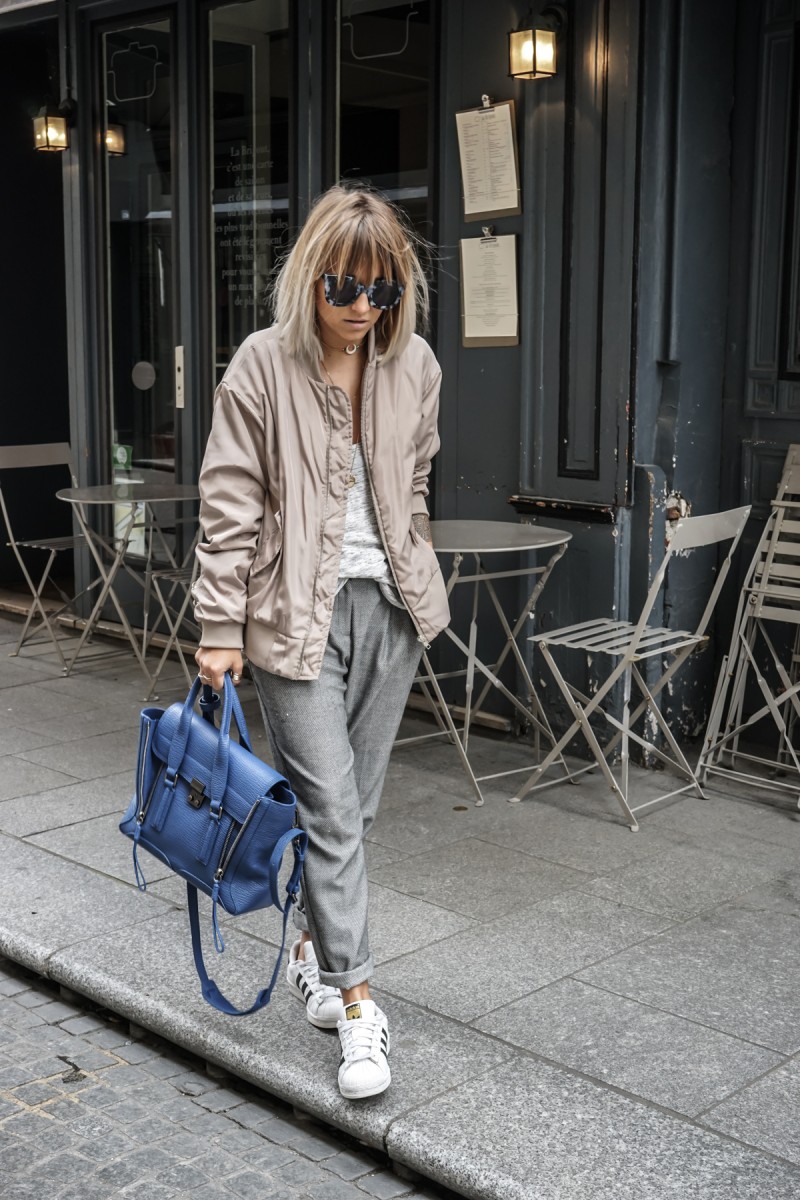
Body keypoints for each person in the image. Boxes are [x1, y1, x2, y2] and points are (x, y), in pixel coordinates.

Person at [192, 184, 450, 1100]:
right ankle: (358, 1006)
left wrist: (413, 558)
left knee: (352, 814)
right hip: (292, 620)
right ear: (311, 276)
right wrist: (219, 626)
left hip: (390, 615)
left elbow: (415, 479)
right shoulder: (262, 366)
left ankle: (308, 946)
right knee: (334, 814)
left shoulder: (414, 365)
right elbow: (229, 502)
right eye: (344, 285)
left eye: (381, 289)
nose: (361, 306)